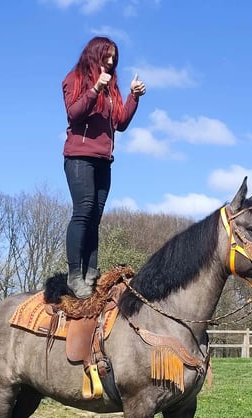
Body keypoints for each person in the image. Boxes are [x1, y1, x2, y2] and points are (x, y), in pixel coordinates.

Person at [62, 36, 146, 298]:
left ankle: (91, 274)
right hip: (79, 157)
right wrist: (95, 88)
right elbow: (73, 113)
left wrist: (133, 97)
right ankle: (74, 276)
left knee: (95, 217)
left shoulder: (112, 88)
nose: (110, 62)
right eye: (106, 56)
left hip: (103, 160)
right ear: (94, 54)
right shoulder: (75, 79)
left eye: (114, 58)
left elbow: (120, 122)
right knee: (83, 211)